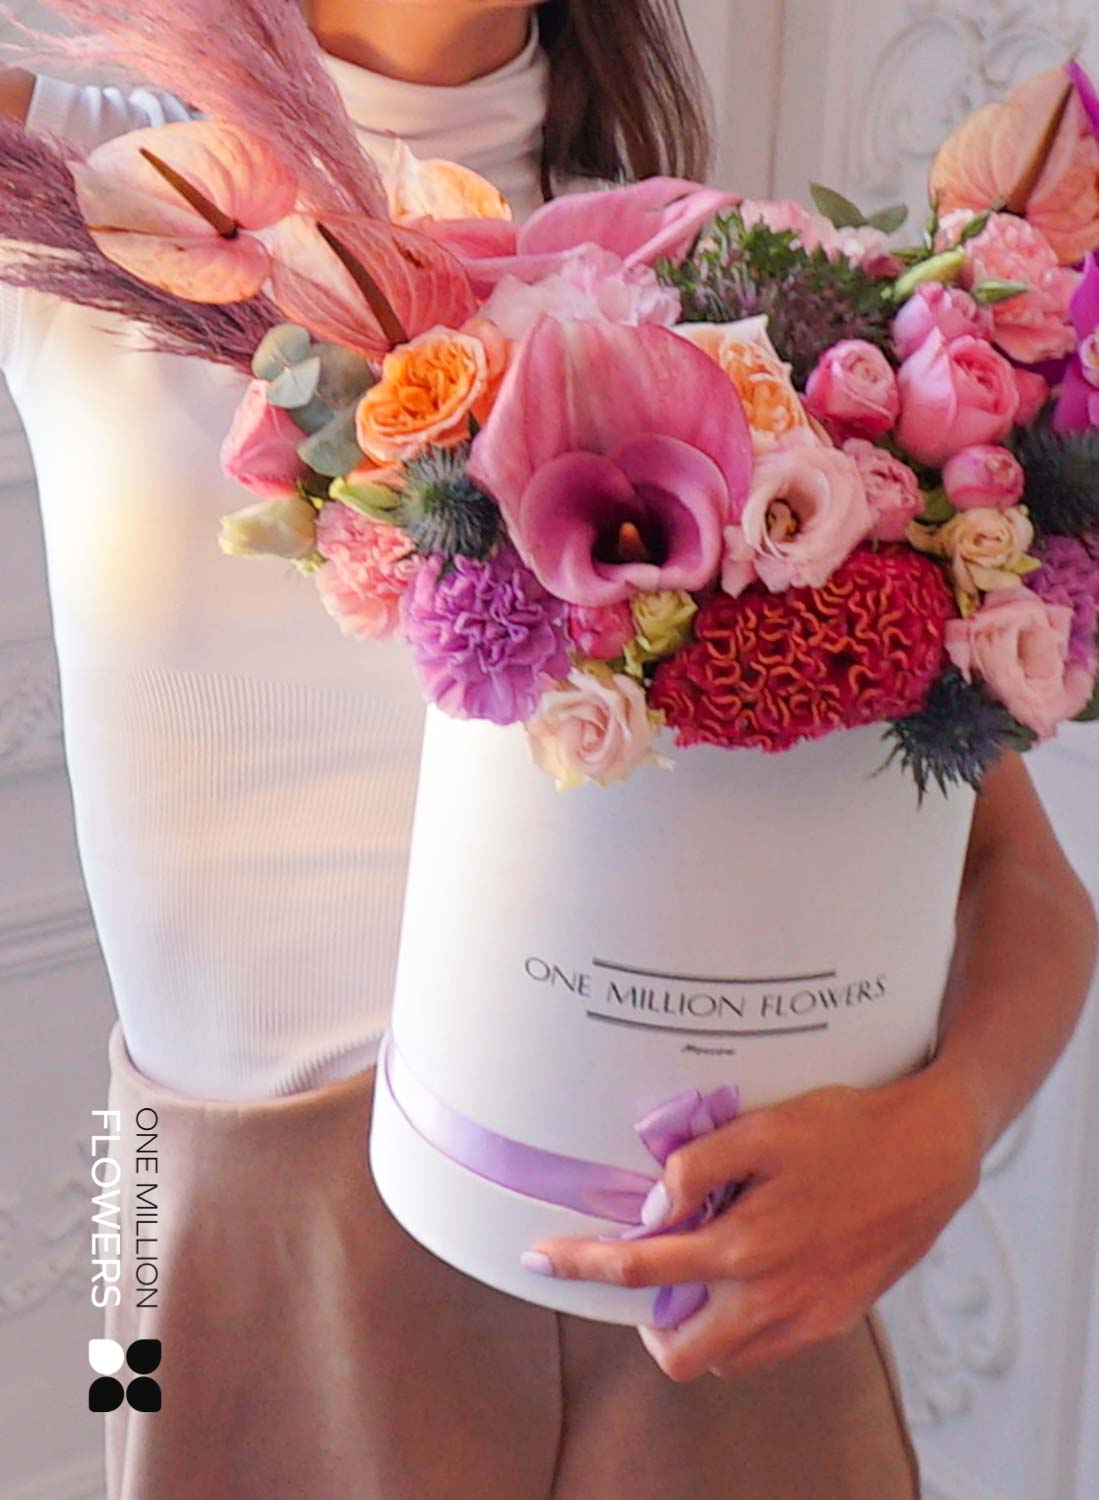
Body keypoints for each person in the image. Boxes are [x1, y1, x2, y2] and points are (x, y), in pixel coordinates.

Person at [1, 3, 1096, 1497]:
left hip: (705, 1303)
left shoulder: (714, 284)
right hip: (242, 1282)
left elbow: (1019, 877)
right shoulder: (78, 187)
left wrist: (942, 1133)